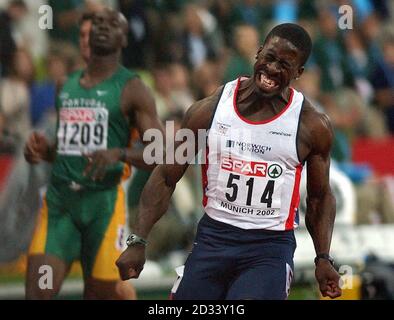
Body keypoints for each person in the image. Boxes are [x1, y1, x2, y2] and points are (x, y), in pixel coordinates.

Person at [116, 23, 342, 300]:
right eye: (269, 58)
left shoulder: (311, 126)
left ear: (298, 73)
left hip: (268, 248)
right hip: (213, 239)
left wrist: (323, 258)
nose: (272, 69)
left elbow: (320, 198)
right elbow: (166, 175)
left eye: (284, 65)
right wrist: (138, 240)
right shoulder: (209, 110)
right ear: (258, 54)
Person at [24, 8, 163, 300]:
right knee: (39, 292)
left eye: (112, 24)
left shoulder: (134, 89)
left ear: (124, 38)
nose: (102, 27)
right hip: (61, 206)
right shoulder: (65, 85)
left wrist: (120, 154)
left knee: (100, 293)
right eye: (97, 23)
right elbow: (67, 150)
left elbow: (159, 153)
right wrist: (43, 150)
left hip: (103, 205)